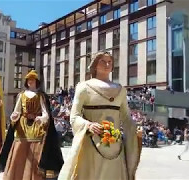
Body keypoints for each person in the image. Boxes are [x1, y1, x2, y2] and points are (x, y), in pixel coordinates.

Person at [58, 52, 141, 180]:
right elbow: (74, 116)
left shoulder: (121, 90)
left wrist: (135, 129)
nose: (107, 64)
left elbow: (126, 117)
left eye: (110, 62)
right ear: (95, 64)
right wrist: (88, 125)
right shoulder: (84, 87)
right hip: (91, 144)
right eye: (103, 61)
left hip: (115, 145)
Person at [0, 70, 63, 180]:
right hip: (22, 126)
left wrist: (42, 119)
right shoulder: (21, 95)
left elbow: (45, 113)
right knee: (19, 150)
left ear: (36, 82)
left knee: (35, 152)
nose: (30, 81)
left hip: (36, 127)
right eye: (28, 80)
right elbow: (17, 110)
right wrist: (14, 116)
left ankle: (33, 176)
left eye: (32, 80)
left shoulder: (41, 96)